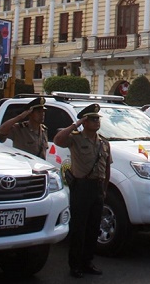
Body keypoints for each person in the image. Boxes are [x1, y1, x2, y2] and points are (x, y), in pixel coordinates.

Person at [53, 103, 112, 278]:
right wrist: (76, 124)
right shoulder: (76, 138)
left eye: (97, 119)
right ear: (85, 122)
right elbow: (58, 140)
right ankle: (75, 265)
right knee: (79, 228)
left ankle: (88, 261)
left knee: (93, 227)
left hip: (97, 187)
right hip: (81, 186)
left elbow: (107, 168)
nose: (96, 122)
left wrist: (104, 189)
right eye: (92, 119)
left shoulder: (104, 142)